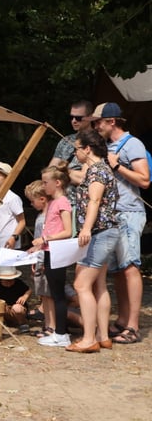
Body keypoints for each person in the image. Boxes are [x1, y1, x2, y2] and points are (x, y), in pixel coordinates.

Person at [88, 102, 150, 344]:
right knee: (116, 271)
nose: (95, 126)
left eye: (98, 122)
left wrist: (117, 165)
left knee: (130, 266)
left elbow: (144, 180)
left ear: (112, 121)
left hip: (129, 212)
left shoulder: (133, 144)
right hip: (111, 215)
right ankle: (122, 321)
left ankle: (133, 326)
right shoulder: (108, 146)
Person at [67, 129, 121, 353]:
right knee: (99, 285)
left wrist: (86, 228)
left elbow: (95, 200)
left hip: (99, 233)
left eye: (77, 148)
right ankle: (103, 335)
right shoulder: (100, 169)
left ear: (87, 148)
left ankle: (89, 339)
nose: (75, 153)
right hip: (106, 233)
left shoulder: (97, 171)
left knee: (81, 284)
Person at [28, 164, 73, 347]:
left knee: (58, 294)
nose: (44, 186)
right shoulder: (54, 202)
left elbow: (68, 231)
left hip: (56, 252)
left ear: (58, 183)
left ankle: (62, 333)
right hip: (48, 251)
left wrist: (45, 238)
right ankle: (58, 332)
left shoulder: (62, 202)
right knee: (53, 292)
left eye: (46, 182)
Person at [0, 162, 26, 291]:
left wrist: (14, 237)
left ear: (7, 178)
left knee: (6, 278)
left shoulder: (13, 198)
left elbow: (22, 221)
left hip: (8, 244)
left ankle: (7, 303)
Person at [23, 180, 50, 330]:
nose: (31, 204)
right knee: (42, 292)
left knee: (46, 292)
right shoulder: (44, 217)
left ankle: (49, 323)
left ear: (42, 199)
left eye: (32, 201)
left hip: (43, 259)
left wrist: (36, 259)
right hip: (41, 258)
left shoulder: (43, 219)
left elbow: (41, 244)